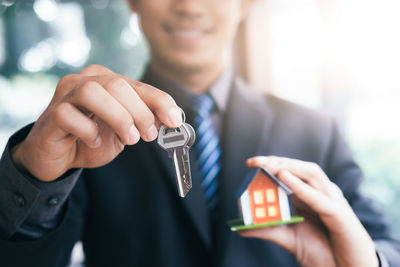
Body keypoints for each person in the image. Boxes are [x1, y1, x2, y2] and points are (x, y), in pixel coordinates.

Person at [0, 0, 399, 266]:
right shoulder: (82, 133)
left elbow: (385, 248)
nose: (189, 6)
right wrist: (32, 176)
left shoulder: (315, 131)